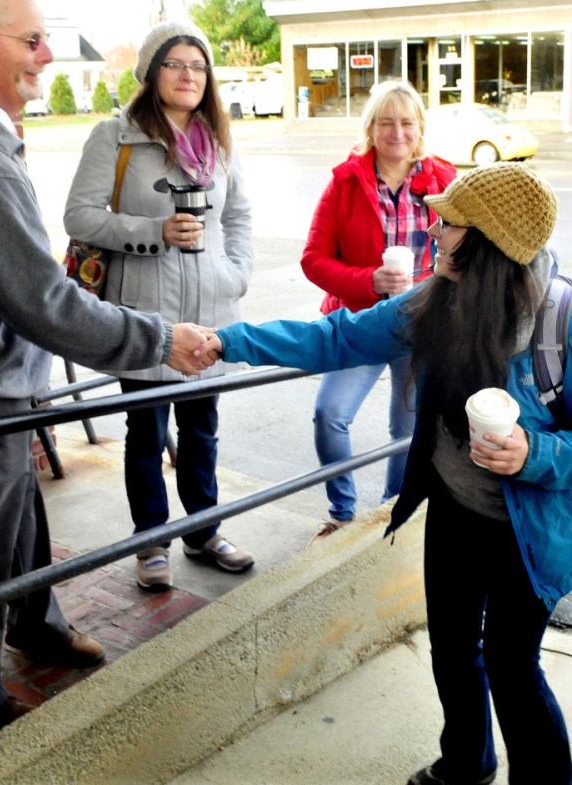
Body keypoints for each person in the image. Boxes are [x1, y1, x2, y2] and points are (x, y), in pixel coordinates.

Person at [0, 0, 212, 755]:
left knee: (17, 516)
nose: (47, 54)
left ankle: (37, 626)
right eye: (30, 41)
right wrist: (159, 342)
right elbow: (46, 303)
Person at [201, 162, 572, 785]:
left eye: (450, 223)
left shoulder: (560, 324)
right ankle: (467, 764)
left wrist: (533, 454)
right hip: (455, 509)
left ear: (488, 241)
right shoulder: (437, 301)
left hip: (528, 529)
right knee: (454, 651)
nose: (434, 229)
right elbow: (336, 338)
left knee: (511, 665)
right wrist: (226, 341)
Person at [64, 20, 255, 593]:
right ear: (151, 73)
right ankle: (151, 542)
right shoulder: (115, 136)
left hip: (213, 309)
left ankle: (204, 531)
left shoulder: (219, 140)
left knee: (202, 428)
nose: (188, 75)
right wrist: (154, 231)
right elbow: (80, 216)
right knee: (145, 432)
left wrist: (236, 272)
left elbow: (239, 216)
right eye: (175, 63)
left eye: (198, 66)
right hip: (146, 314)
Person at [300, 80, 456, 542]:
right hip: (362, 321)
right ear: (371, 127)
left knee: (407, 428)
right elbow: (313, 258)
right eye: (386, 122)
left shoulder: (444, 181)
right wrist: (367, 280)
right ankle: (344, 512)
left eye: (407, 122)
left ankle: (391, 514)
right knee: (330, 413)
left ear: (420, 128)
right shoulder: (345, 182)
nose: (397, 132)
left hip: (423, 323)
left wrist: (437, 284)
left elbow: (470, 250)